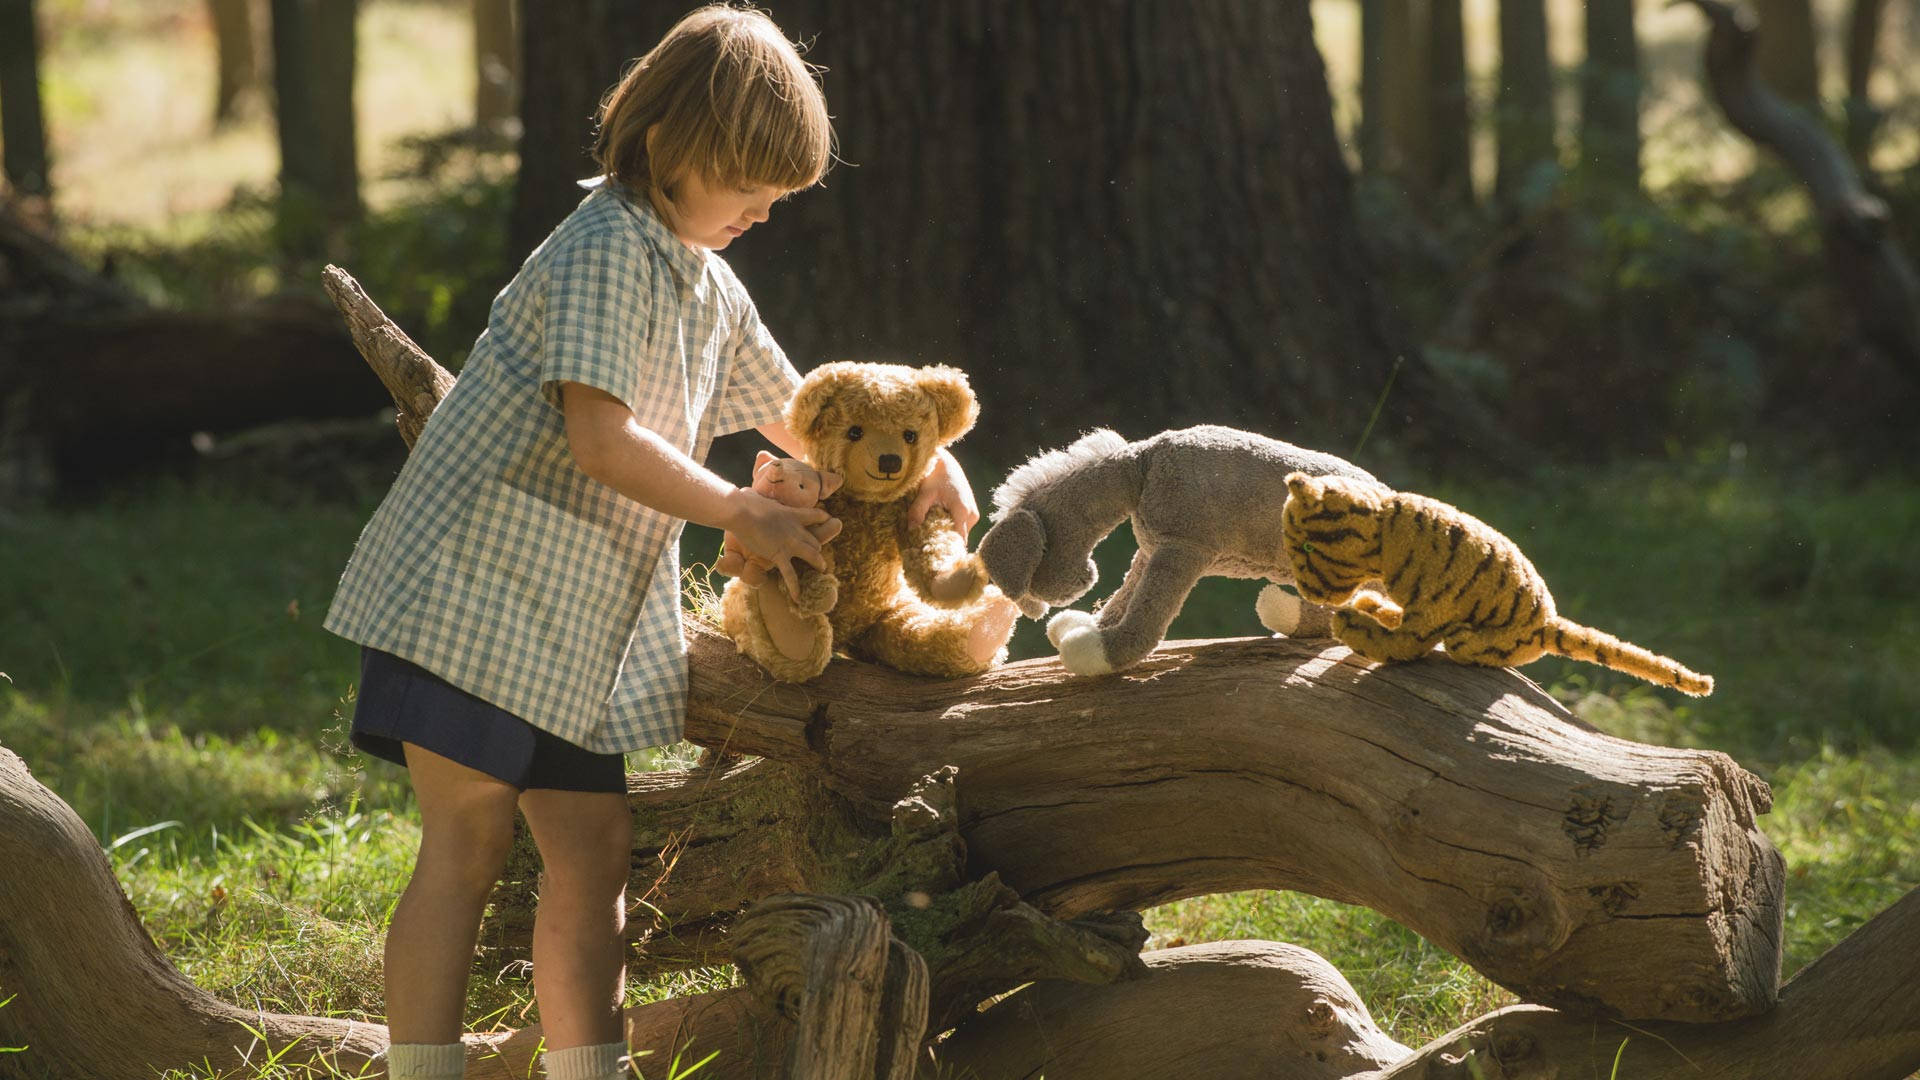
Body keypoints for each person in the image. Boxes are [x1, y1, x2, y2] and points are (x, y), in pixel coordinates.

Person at [322, 8, 982, 1079]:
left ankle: (593, 1068)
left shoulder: (707, 278)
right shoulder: (601, 253)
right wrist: (740, 510)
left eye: (782, 194)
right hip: (474, 590)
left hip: (575, 625)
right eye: (754, 186)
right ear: (681, 151)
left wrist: (923, 470)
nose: (767, 212)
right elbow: (601, 437)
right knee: (470, 840)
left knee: (593, 859)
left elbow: (800, 411)